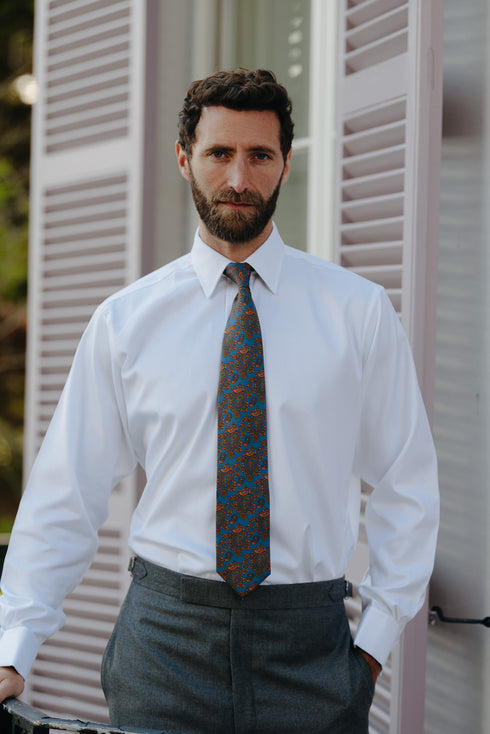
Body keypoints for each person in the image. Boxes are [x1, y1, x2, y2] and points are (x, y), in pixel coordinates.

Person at [0, 69, 439, 733]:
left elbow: (407, 487)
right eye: (219, 154)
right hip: (164, 644)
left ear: (286, 163)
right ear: (185, 160)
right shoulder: (126, 321)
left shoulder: (359, 314)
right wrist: (13, 648)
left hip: (312, 650)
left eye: (260, 156)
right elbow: (67, 492)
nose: (239, 179)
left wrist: (371, 648)